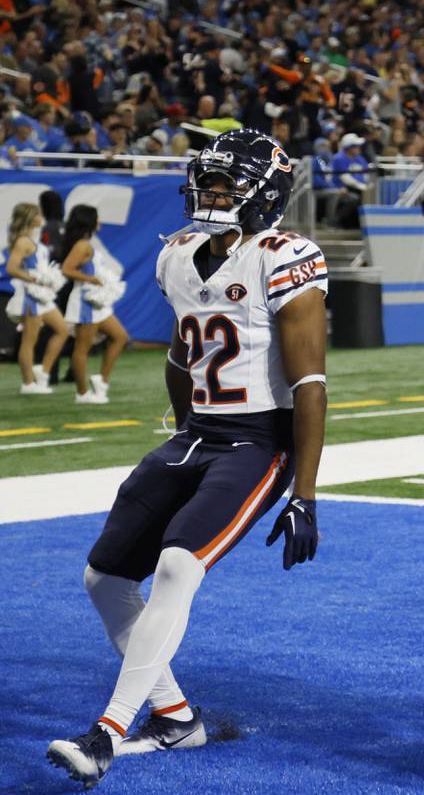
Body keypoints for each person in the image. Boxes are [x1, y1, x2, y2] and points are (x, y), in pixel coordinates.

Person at [45, 129, 328, 789]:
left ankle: (106, 734)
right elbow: (181, 355)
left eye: (227, 183)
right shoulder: (178, 255)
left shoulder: (285, 256)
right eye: (209, 180)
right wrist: (181, 431)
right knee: (105, 579)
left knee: (177, 563)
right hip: (198, 434)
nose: (211, 193)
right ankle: (175, 719)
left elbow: (310, 384)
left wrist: (305, 492)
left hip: (260, 440)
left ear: (264, 193)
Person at [60, 204, 130, 404]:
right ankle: (82, 394)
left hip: (96, 302)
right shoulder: (82, 245)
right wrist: (91, 280)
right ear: (89, 221)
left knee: (120, 336)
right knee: (82, 348)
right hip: (86, 301)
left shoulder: (86, 243)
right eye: (96, 218)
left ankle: (101, 380)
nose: (99, 222)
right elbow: (67, 269)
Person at [6, 202, 69, 394]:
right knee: (29, 340)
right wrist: (33, 278)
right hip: (31, 297)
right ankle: (28, 384)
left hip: (43, 297)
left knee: (63, 330)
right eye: (37, 213)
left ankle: (42, 370)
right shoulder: (23, 241)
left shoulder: (32, 239)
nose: (41, 215)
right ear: (30, 217)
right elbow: (11, 268)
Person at [330, 133, 370, 227]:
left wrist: (366, 186)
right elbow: (345, 178)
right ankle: (335, 221)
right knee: (353, 199)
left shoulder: (360, 159)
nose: (359, 148)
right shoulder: (339, 158)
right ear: (348, 148)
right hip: (339, 188)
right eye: (355, 146)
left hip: (357, 188)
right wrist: (363, 187)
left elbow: (367, 174)